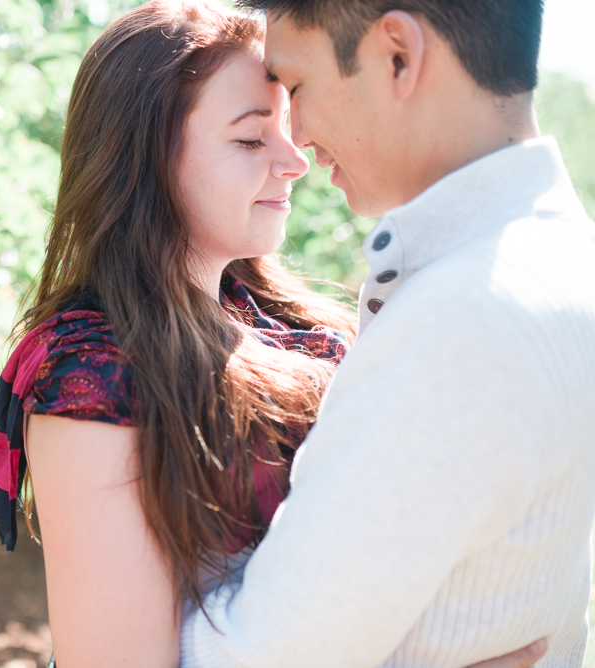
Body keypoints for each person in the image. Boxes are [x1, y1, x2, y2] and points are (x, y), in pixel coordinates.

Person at [0, 1, 559, 667]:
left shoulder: (306, 329)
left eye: (287, 129)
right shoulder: (92, 375)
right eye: (252, 139)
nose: (296, 161)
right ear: (142, 158)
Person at [179, 1, 595, 667]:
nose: (301, 141)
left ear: (396, 55)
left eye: (298, 88)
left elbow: (254, 659)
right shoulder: (566, 259)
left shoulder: (462, 320)